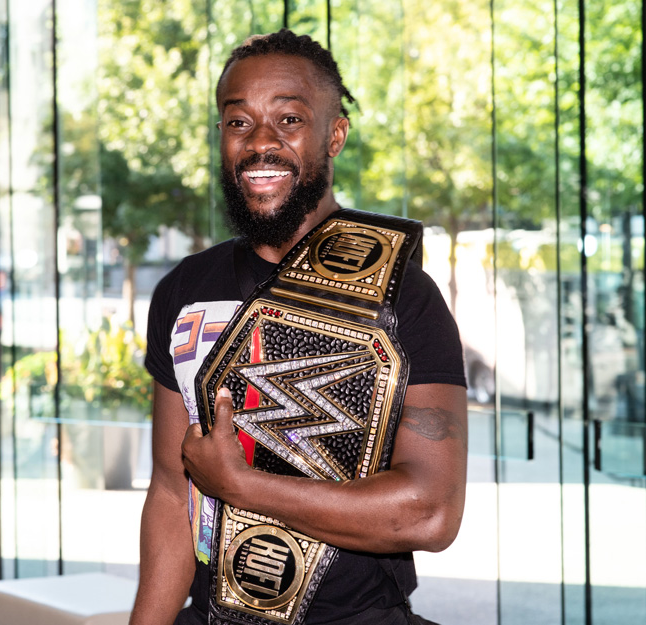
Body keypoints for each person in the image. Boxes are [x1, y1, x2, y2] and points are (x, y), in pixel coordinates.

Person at [132, 29, 468, 625]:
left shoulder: (403, 298)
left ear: (333, 135)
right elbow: (168, 491)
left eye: (289, 119)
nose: (261, 142)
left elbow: (431, 513)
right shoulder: (184, 290)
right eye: (238, 123)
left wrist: (246, 487)